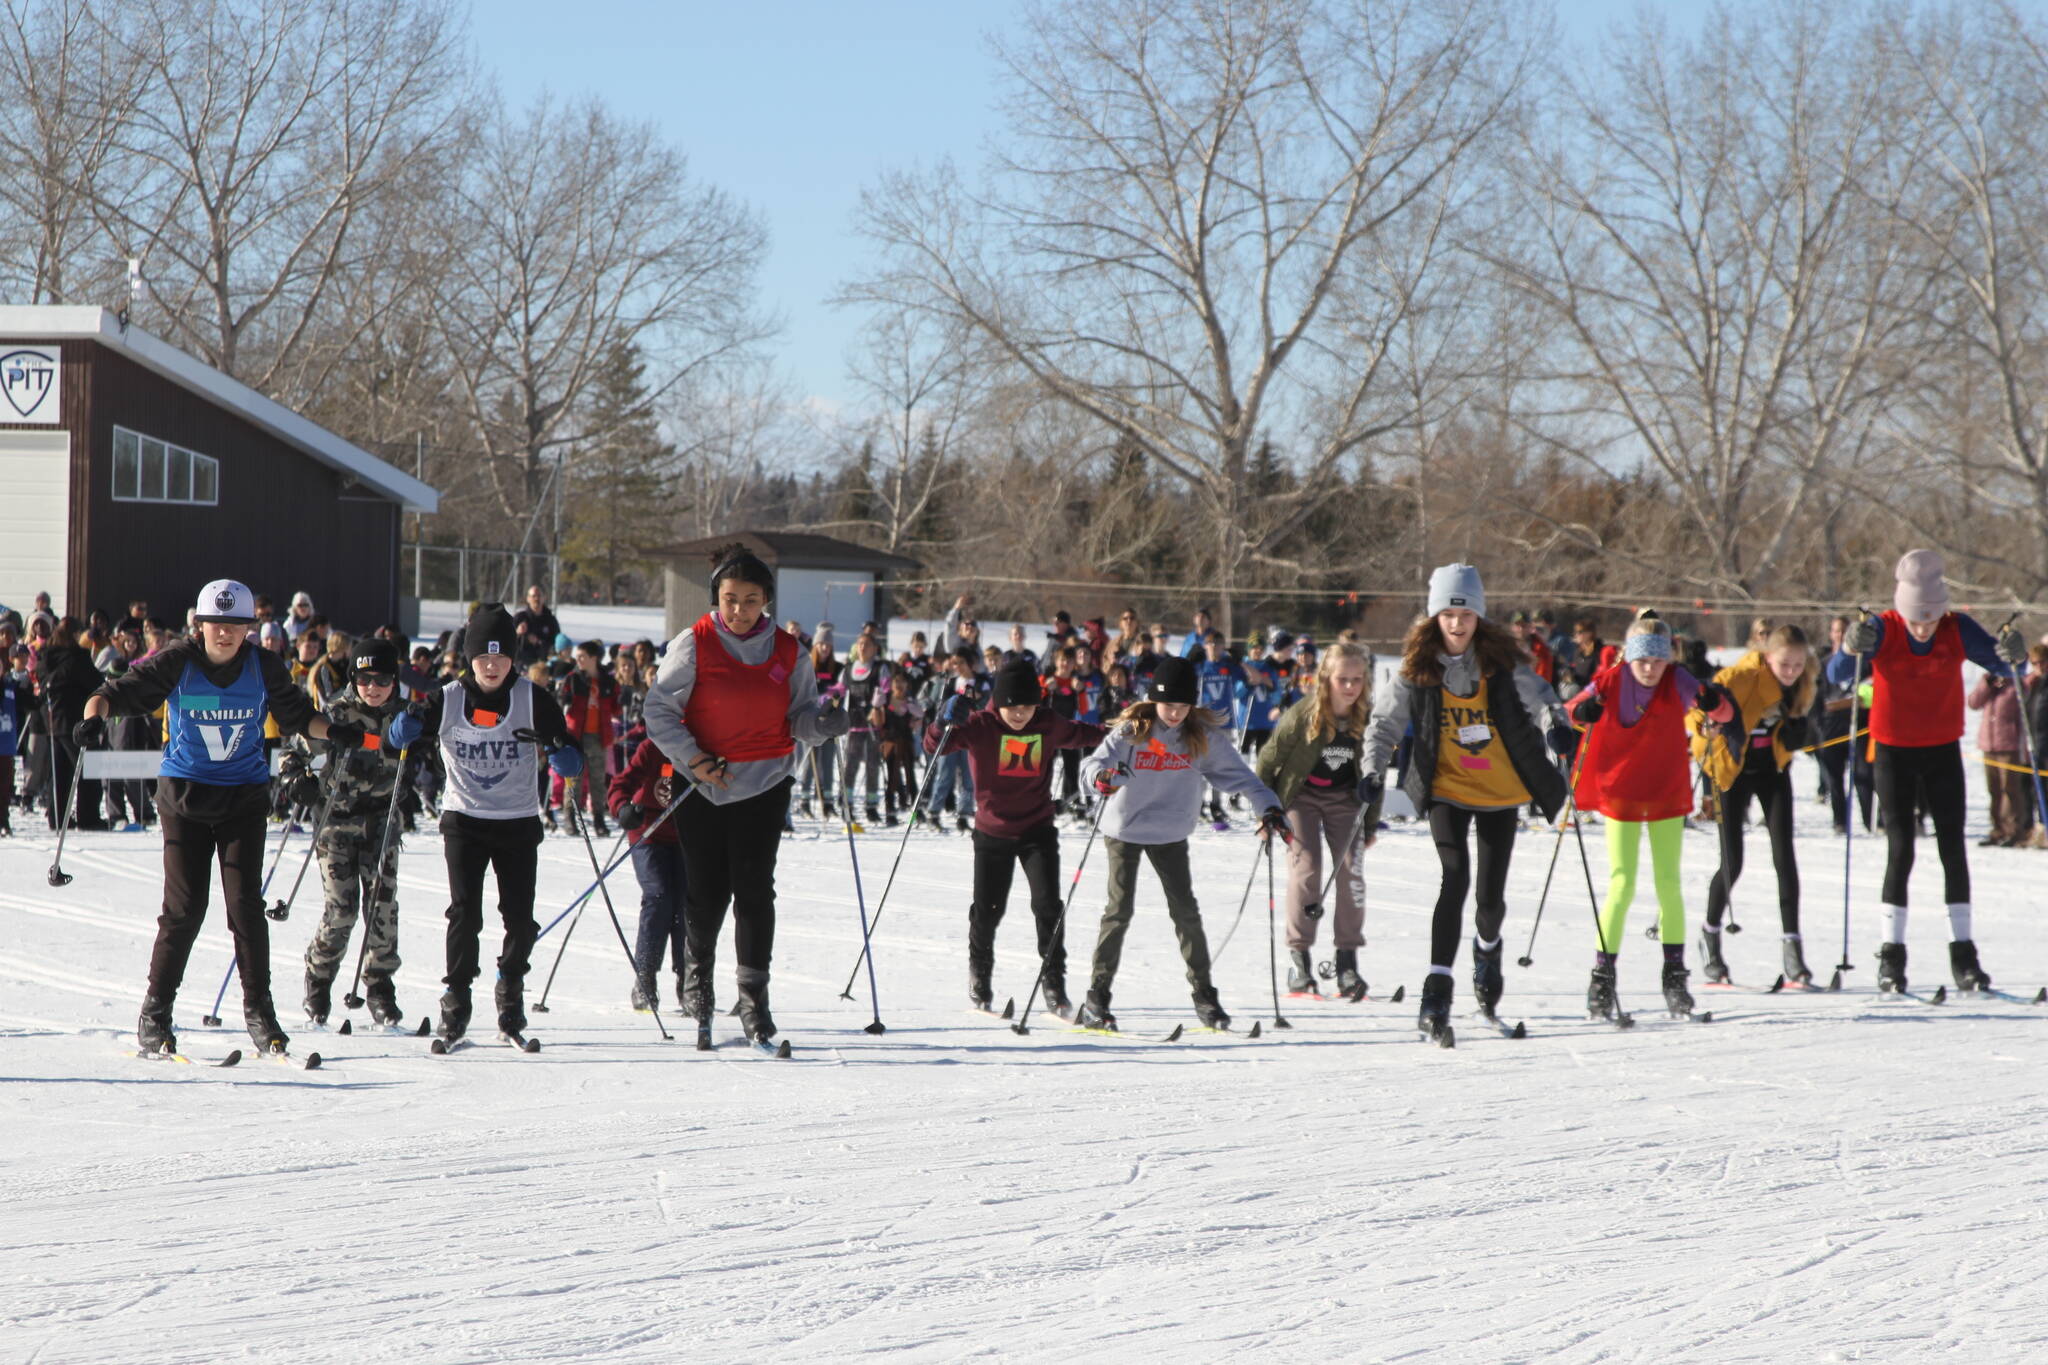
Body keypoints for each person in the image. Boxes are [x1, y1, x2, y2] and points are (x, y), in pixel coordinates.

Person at [80, 579, 365, 1055]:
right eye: (217, 624)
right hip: (185, 799)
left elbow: (297, 715)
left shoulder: (263, 665)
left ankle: (260, 1015)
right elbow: (117, 693)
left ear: (248, 629)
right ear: (201, 625)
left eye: (236, 625)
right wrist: (93, 716)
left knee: (246, 909)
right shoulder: (177, 660)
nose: (226, 633)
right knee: (185, 909)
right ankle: (155, 1015)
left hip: (243, 799)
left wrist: (335, 731)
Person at [640, 545, 849, 1046]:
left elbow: (798, 716)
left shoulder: (789, 651)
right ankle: (699, 982)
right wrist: (694, 760)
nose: (739, 610)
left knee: (755, 891)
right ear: (717, 596)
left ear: (766, 601)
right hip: (703, 785)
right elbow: (658, 711)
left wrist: (820, 724)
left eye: (751, 600)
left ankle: (755, 1000)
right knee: (707, 893)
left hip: (765, 783)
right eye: (730, 599)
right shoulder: (694, 643)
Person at [1361, 567, 1571, 1039]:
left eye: (1466, 614)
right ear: (1435, 615)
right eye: (1448, 613)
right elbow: (1384, 723)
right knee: (1453, 877)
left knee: (1489, 900)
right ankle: (1436, 992)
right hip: (1447, 788)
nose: (1457, 624)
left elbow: (1540, 698)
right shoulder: (1417, 666)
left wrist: (1555, 726)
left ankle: (1487, 948)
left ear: (1478, 616)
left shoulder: (1501, 661)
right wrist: (1372, 771)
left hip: (1501, 790)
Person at [1076, 656, 1289, 1032]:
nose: (1174, 713)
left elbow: (1244, 779)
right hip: (1124, 828)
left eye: (1182, 705)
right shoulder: (1132, 731)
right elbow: (1093, 763)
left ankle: (1205, 995)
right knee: (1119, 911)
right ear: (1153, 701)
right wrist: (1102, 778)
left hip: (1171, 832)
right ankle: (1097, 997)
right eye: (1168, 705)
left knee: (1186, 914)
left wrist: (1269, 808)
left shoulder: (1201, 738)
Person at [1846, 550, 2019, 993]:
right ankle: (1891, 957)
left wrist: (2013, 655)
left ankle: (1963, 955)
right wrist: (1851, 645)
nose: (1923, 628)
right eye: (1915, 620)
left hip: (1941, 750)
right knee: (1900, 848)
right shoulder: (1884, 627)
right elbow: (1837, 669)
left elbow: (2005, 666)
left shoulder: (1956, 627)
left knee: (1952, 849)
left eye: (1930, 619)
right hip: (1893, 752)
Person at [1567, 613, 1734, 1020]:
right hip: (1621, 791)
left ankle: (1675, 979)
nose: (1649, 669)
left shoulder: (1677, 680)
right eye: (1642, 661)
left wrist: (1713, 701)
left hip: (1664, 789)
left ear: (1668, 660)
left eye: (1657, 662)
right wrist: (1582, 711)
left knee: (1669, 883)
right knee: (1621, 884)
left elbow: (1724, 713)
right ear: (1629, 657)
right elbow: (1571, 708)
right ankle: (1601, 980)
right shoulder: (1610, 679)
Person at [926, 660, 1107, 1017]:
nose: (1020, 715)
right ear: (999, 702)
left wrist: (1120, 731)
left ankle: (1053, 981)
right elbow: (935, 746)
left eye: (1027, 707)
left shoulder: (1047, 723)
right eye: (1013, 707)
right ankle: (980, 975)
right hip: (992, 833)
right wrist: (941, 721)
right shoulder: (978, 725)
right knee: (988, 911)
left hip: (1037, 830)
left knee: (1048, 905)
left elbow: (1084, 734)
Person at [1690, 622, 1820, 986]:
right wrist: (1706, 728)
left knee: (1785, 859)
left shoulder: (1804, 680)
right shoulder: (1740, 675)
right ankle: (1710, 938)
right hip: (1732, 770)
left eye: (1797, 664)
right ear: (1767, 656)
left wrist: (1800, 732)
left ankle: (1793, 952)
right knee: (1733, 862)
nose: (1791, 671)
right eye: (1784, 664)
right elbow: (1698, 710)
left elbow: (1799, 722)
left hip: (1771, 769)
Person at [291, 637, 411, 1027]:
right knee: (341, 909)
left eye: (381, 680)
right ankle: (319, 980)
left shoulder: (404, 717)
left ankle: (379, 986)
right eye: (364, 679)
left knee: (383, 906)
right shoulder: (336, 713)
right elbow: (295, 753)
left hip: (382, 821)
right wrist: (298, 779)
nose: (372, 688)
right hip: (337, 823)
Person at [1257, 642, 1377, 1000]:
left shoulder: (1366, 718)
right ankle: (1299, 960)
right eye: (1343, 679)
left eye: (1357, 680)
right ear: (1326, 678)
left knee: (1351, 871)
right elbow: (1267, 760)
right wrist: (1265, 810)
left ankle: (1347, 962)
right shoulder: (1303, 714)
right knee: (1307, 867)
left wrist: (1369, 825)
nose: (1350, 687)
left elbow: (1374, 776)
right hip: (1301, 797)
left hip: (1345, 799)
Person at [608, 733, 686, 1011]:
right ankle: (645, 977)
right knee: (659, 895)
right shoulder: (653, 746)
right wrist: (623, 807)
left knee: (688, 903)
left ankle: (689, 979)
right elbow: (621, 784)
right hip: (649, 832)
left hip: (687, 836)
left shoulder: (703, 743)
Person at [37, 617, 106, 831]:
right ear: (76, 635)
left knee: (59, 773)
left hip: (53, 719)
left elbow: (42, 683)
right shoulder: (76, 658)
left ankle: (57, 818)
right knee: (87, 769)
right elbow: (96, 682)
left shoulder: (47, 657)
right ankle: (88, 816)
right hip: (76, 721)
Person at [921, 647, 988, 831]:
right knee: (945, 774)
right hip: (951, 736)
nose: (957, 666)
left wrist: (977, 700)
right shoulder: (949, 682)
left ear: (970, 664)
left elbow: (986, 705)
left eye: (960, 663)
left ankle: (964, 814)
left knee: (968, 777)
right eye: (955, 663)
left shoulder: (982, 682)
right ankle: (934, 812)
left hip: (972, 736)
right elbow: (940, 704)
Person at [558, 639, 620, 837]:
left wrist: (623, 700)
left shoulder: (607, 681)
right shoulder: (573, 678)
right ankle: (570, 817)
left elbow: (616, 708)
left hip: (598, 735)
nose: (579, 659)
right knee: (574, 778)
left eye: (583, 656)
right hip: (576, 734)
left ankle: (599, 818)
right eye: (578, 656)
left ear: (594, 658)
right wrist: (562, 697)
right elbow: (562, 700)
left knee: (597, 779)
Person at [1968, 667, 2034, 849]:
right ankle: (1997, 829)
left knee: (2010, 790)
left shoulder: (2018, 683)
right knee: (1994, 789)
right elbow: (1973, 703)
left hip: (2010, 744)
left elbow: (2026, 707)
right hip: (1989, 743)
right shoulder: (1990, 682)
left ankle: (2013, 830)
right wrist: (1986, 684)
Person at [833, 633, 892, 826]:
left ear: (875, 648)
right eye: (860, 644)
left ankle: (871, 806)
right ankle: (846, 803)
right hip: (854, 723)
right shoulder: (849, 669)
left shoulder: (879, 668)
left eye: (867, 644)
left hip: (872, 723)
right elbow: (839, 690)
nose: (863, 648)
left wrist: (877, 702)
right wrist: (829, 702)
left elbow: (885, 688)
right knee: (851, 765)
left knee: (873, 765)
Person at [1815, 615, 1858, 834]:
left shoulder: (1862, 662)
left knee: (1864, 777)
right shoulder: (1822, 664)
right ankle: (1839, 820)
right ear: (1831, 634)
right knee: (1834, 780)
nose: (1839, 634)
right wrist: (1817, 727)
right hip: (1830, 729)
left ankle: (1873, 820)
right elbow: (1816, 697)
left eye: (1843, 630)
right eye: (1836, 630)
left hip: (1856, 727)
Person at [798, 637, 843, 819]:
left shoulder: (838, 668)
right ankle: (805, 801)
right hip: (812, 722)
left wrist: (835, 700)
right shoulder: (808, 666)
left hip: (830, 723)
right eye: (821, 644)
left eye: (828, 645)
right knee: (811, 764)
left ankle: (828, 802)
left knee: (828, 762)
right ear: (816, 646)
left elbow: (842, 690)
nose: (824, 648)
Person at [513, 585, 561, 668]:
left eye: (539, 596)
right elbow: (506, 640)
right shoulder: (519, 618)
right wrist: (517, 633)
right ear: (528, 599)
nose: (536, 598)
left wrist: (539, 642)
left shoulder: (550, 620)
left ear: (544, 598)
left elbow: (557, 644)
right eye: (533, 596)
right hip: (521, 664)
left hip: (544, 665)